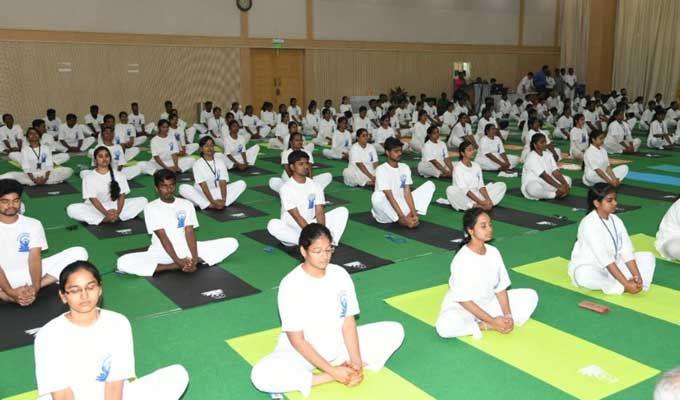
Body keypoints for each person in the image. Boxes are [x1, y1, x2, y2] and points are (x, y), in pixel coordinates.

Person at [251, 223, 404, 397]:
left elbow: (348, 323)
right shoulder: (291, 284)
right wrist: (333, 373)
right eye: (317, 251)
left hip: (337, 346)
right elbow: (297, 340)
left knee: (395, 330)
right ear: (303, 251)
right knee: (260, 375)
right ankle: (324, 377)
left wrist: (356, 362)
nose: (324, 256)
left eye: (328, 250)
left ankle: (345, 369)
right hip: (301, 353)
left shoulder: (340, 274)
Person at [34, 261, 189, 399]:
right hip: (69, 396)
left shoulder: (117, 323)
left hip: (113, 394)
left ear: (100, 289)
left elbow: (114, 384)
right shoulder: (49, 335)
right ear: (63, 296)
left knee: (177, 375)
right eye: (75, 290)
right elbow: (61, 394)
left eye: (90, 287)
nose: (84, 295)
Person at [435, 208, 538, 338]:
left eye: (490, 225)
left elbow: (500, 288)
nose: (489, 229)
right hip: (464, 308)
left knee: (531, 295)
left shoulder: (493, 252)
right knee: (444, 327)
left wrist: (508, 315)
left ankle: (489, 320)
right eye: (483, 226)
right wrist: (491, 322)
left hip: (487, 303)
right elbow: (463, 300)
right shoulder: (461, 259)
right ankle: (483, 325)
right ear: (470, 230)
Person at [117, 169, 239, 276]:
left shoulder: (186, 204)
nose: (168, 190)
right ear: (156, 188)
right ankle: (170, 267)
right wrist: (177, 262)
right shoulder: (151, 207)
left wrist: (195, 258)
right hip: (162, 252)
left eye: (171, 186)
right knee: (122, 262)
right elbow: (163, 238)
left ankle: (191, 261)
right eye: (164, 186)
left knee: (232, 243)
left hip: (186, 249)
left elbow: (189, 232)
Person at [0, 179, 88, 305]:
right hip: (3, 278)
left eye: (15, 201)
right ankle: (5, 295)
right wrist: (9, 292)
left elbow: (34, 258)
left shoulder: (33, 224)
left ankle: (33, 288)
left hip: (29, 274)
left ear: (20, 201)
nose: (11, 205)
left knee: (80, 252)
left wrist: (35, 288)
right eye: (5, 201)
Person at [568, 183, 656, 295]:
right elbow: (605, 259)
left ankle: (637, 285)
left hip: (614, 264)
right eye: (609, 200)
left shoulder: (616, 220)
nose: (615, 203)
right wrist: (626, 284)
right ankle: (622, 286)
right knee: (583, 275)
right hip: (592, 267)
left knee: (647, 257)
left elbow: (627, 251)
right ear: (596, 203)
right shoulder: (589, 223)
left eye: (615, 199)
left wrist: (637, 277)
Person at [267, 150, 349, 247]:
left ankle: (329, 242)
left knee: (342, 211)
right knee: (273, 225)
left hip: (310, 224)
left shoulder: (315, 185)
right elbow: (297, 216)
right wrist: (314, 234)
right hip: (292, 227)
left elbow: (319, 212)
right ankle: (309, 242)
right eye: (301, 164)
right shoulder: (286, 188)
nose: (305, 166)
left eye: (307, 163)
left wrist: (322, 232)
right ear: (292, 167)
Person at [67, 146, 147, 226]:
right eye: (100, 156)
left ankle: (114, 217)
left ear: (110, 159)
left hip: (115, 206)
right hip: (95, 208)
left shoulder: (119, 175)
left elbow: (121, 197)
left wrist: (118, 212)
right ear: (95, 160)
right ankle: (105, 219)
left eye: (106, 156)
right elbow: (93, 200)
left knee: (143, 200)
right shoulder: (89, 177)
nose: (104, 159)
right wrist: (106, 213)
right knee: (71, 209)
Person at [371, 137, 435, 228]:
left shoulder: (404, 167)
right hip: (386, 211)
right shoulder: (381, 170)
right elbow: (389, 196)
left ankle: (410, 215)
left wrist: (414, 214)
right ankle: (399, 220)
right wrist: (402, 218)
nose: (400, 153)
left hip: (402, 205)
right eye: (396, 151)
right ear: (387, 153)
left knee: (430, 185)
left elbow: (407, 192)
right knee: (376, 196)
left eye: (400, 151)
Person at [179, 136, 247, 210]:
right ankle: (209, 205)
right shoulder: (197, 164)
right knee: (183, 188)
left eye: (211, 145)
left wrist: (223, 199)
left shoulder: (220, 162)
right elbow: (203, 185)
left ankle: (221, 203)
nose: (209, 148)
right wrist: (212, 201)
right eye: (206, 146)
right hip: (201, 193)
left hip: (217, 192)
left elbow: (223, 182)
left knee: (242, 183)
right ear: (201, 149)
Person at [444, 141, 505, 211]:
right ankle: (476, 206)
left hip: (478, 194)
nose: (472, 151)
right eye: (469, 150)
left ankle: (487, 204)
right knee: (451, 190)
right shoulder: (458, 168)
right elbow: (465, 190)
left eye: (473, 149)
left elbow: (481, 185)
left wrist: (488, 199)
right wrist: (481, 202)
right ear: (462, 153)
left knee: (501, 185)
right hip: (465, 197)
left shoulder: (476, 166)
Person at [0, 128, 73, 186]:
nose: (34, 135)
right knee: (9, 175)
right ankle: (42, 182)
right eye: (31, 134)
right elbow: (26, 167)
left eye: (36, 133)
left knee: (68, 170)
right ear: (27, 137)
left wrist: (45, 178)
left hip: (46, 174)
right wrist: (33, 179)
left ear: (39, 136)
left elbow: (49, 165)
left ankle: (38, 183)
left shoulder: (46, 148)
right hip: (30, 175)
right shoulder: (25, 149)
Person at [521, 133, 571, 200]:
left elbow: (555, 172)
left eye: (545, 142)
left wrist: (565, 184)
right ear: (535, 145)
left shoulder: (548, 155)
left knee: (568, 179)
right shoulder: (531, 157)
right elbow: (544, 176)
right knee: (533, 188)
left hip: (547, 182)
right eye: (542, 142)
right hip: (534, 182)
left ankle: (555, 192)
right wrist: (559, 187)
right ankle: (554, 195)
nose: (545, 144)